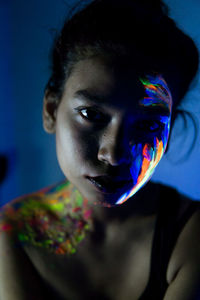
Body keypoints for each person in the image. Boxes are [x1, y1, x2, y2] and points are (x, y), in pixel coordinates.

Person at [0, 0, 200, 299]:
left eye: (148, 126)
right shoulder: (13, 232)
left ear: (168, 135)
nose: (114, 154)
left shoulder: (192, 235)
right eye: (91, 115)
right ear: (51, 110)